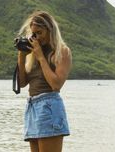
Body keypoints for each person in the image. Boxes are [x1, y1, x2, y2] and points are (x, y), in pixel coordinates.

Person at [17, 10, 72, 152]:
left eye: (40, 33)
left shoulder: (62, 52)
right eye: (34, 34)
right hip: (32, 107)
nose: (36, 38)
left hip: (49, 106)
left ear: (50, 30)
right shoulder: (34, 53)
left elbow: (56, 85)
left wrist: (41, 57)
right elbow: (22, 83)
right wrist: (22, 56)